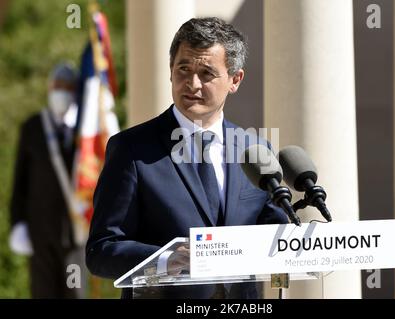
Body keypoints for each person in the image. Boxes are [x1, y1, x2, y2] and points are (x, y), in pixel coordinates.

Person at [86, 17, 288, 299]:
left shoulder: (255, 151)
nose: (192, 83)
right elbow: (101, 251)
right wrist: (165, 259)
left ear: (235, 80)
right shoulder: (131, 149)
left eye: (207, 73)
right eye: (183, 69)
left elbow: (277, 237)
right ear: (171, 71)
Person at [9, 62, 85, 298]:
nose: (61, 91)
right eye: (57, 85)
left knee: (75, 293)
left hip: (77, 235)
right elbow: (19, 183)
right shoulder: (32, 128)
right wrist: (17, 222)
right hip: (40, 233)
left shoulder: (86, 129)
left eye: (67, 86)